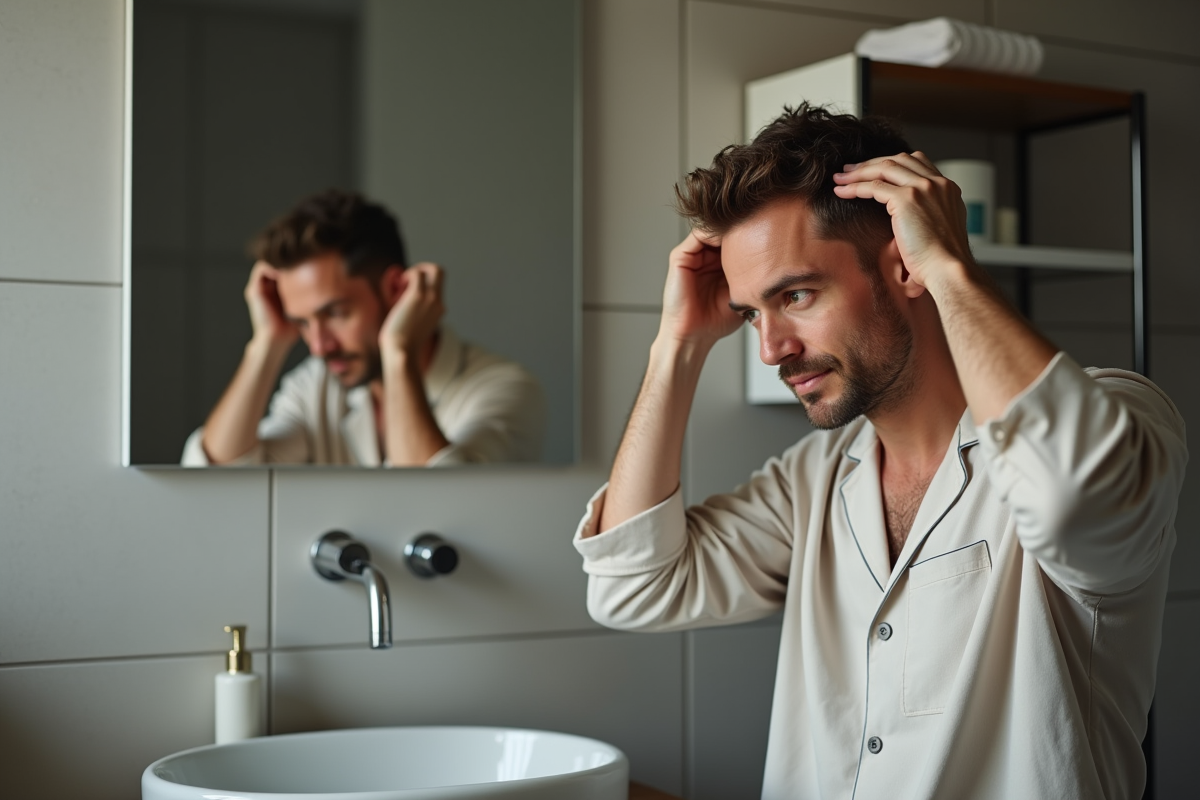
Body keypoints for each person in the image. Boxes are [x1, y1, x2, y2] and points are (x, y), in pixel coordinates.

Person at [573, 104, 1186, 799]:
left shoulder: (1120, 417)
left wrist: (951, 268)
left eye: (796, 295)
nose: (772, 348)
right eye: (750, 314)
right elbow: (631, 589)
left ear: (905, 266)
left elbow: (1073, 496)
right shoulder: (815, 478)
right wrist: (677, 346)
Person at [182, 189, 545, 467]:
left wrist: (398, 350)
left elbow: (437, 507)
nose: (319, 346)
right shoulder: (315, 385)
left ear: (396, 291)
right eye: (302, 322)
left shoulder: (504, 388)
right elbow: (213, 480)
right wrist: (266, 344)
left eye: (336, 313)